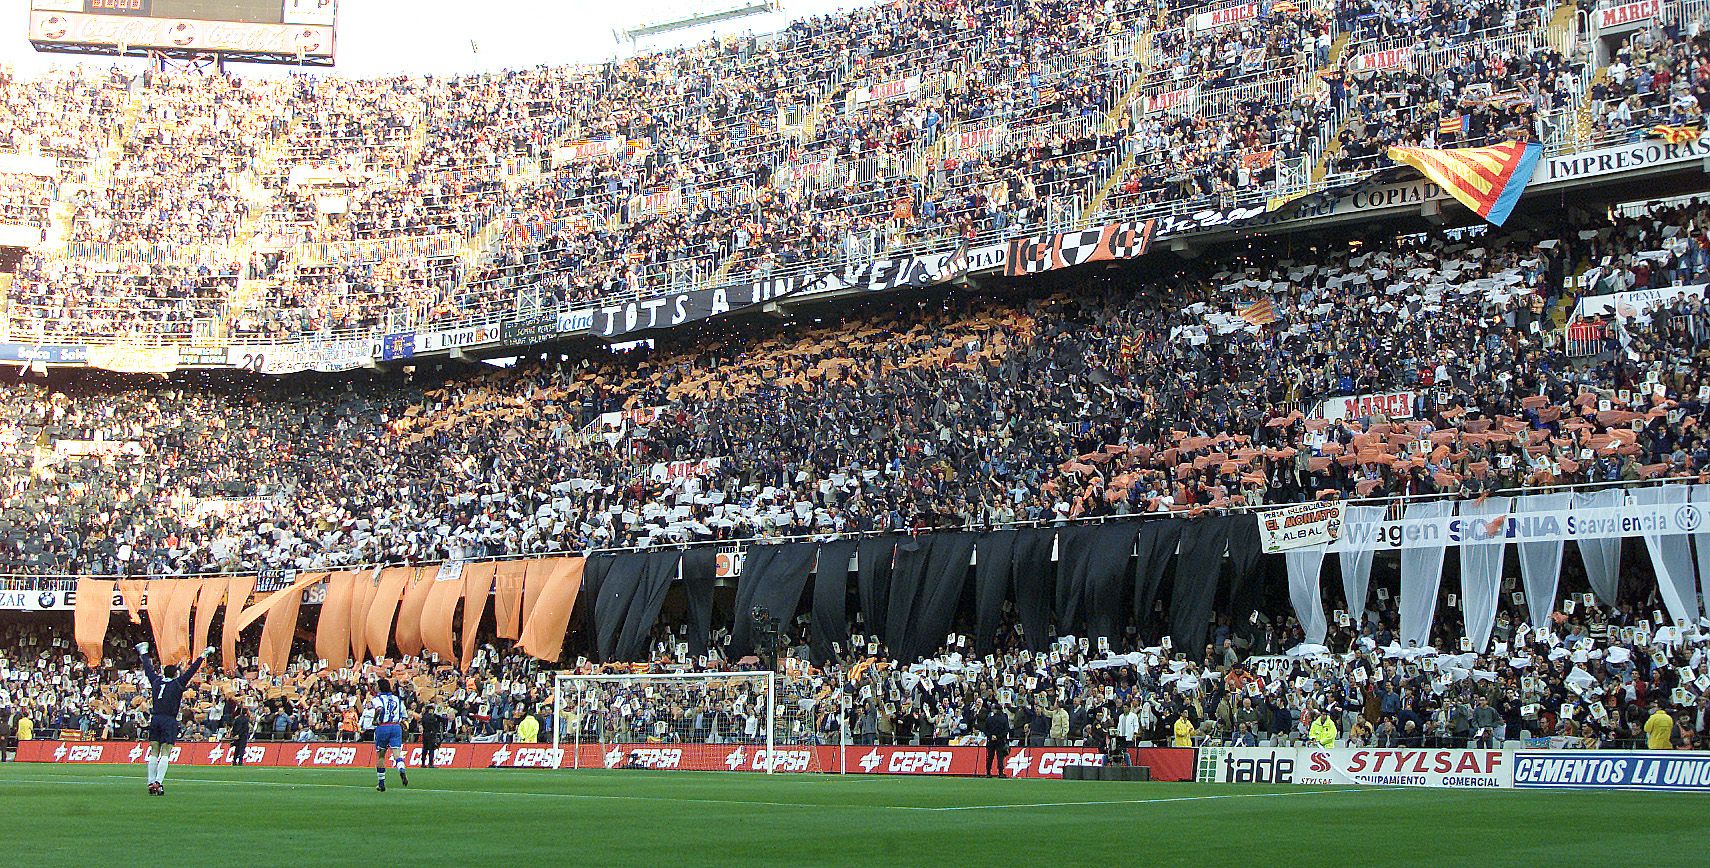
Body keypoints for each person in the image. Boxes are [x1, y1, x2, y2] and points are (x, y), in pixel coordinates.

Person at [137, 641, 213, 796]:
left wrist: (144, 653)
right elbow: (192, 670)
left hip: (156, 718)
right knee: (166, 750)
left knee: (154, 751)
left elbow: (148, 669)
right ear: (175, 674)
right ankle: (158, 782)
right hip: (168, 720)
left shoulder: (156, 681)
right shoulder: (178, 683)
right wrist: (203, 655)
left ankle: (151, 782)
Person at [369, 678, 409, 792]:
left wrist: (375, 720)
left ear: (380, 687)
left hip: (383, 727)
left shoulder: (377, 699)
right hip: (396, 727)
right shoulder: (397, 699)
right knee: (397, 754)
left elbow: (379, 709)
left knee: (381, 756)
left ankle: (381, 784)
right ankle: (401, 768)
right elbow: (404, 715)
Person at [981, 699, 1011, 778]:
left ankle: (988, 772)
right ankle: (1000, 773)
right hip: (1000, 741)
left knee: (990, 757)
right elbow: (1006, 730)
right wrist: (999, 736)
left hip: (991, 740)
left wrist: (991, 736)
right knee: (1000, 757)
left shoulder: (989, 719)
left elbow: (985, 730)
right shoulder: (1004, 719)